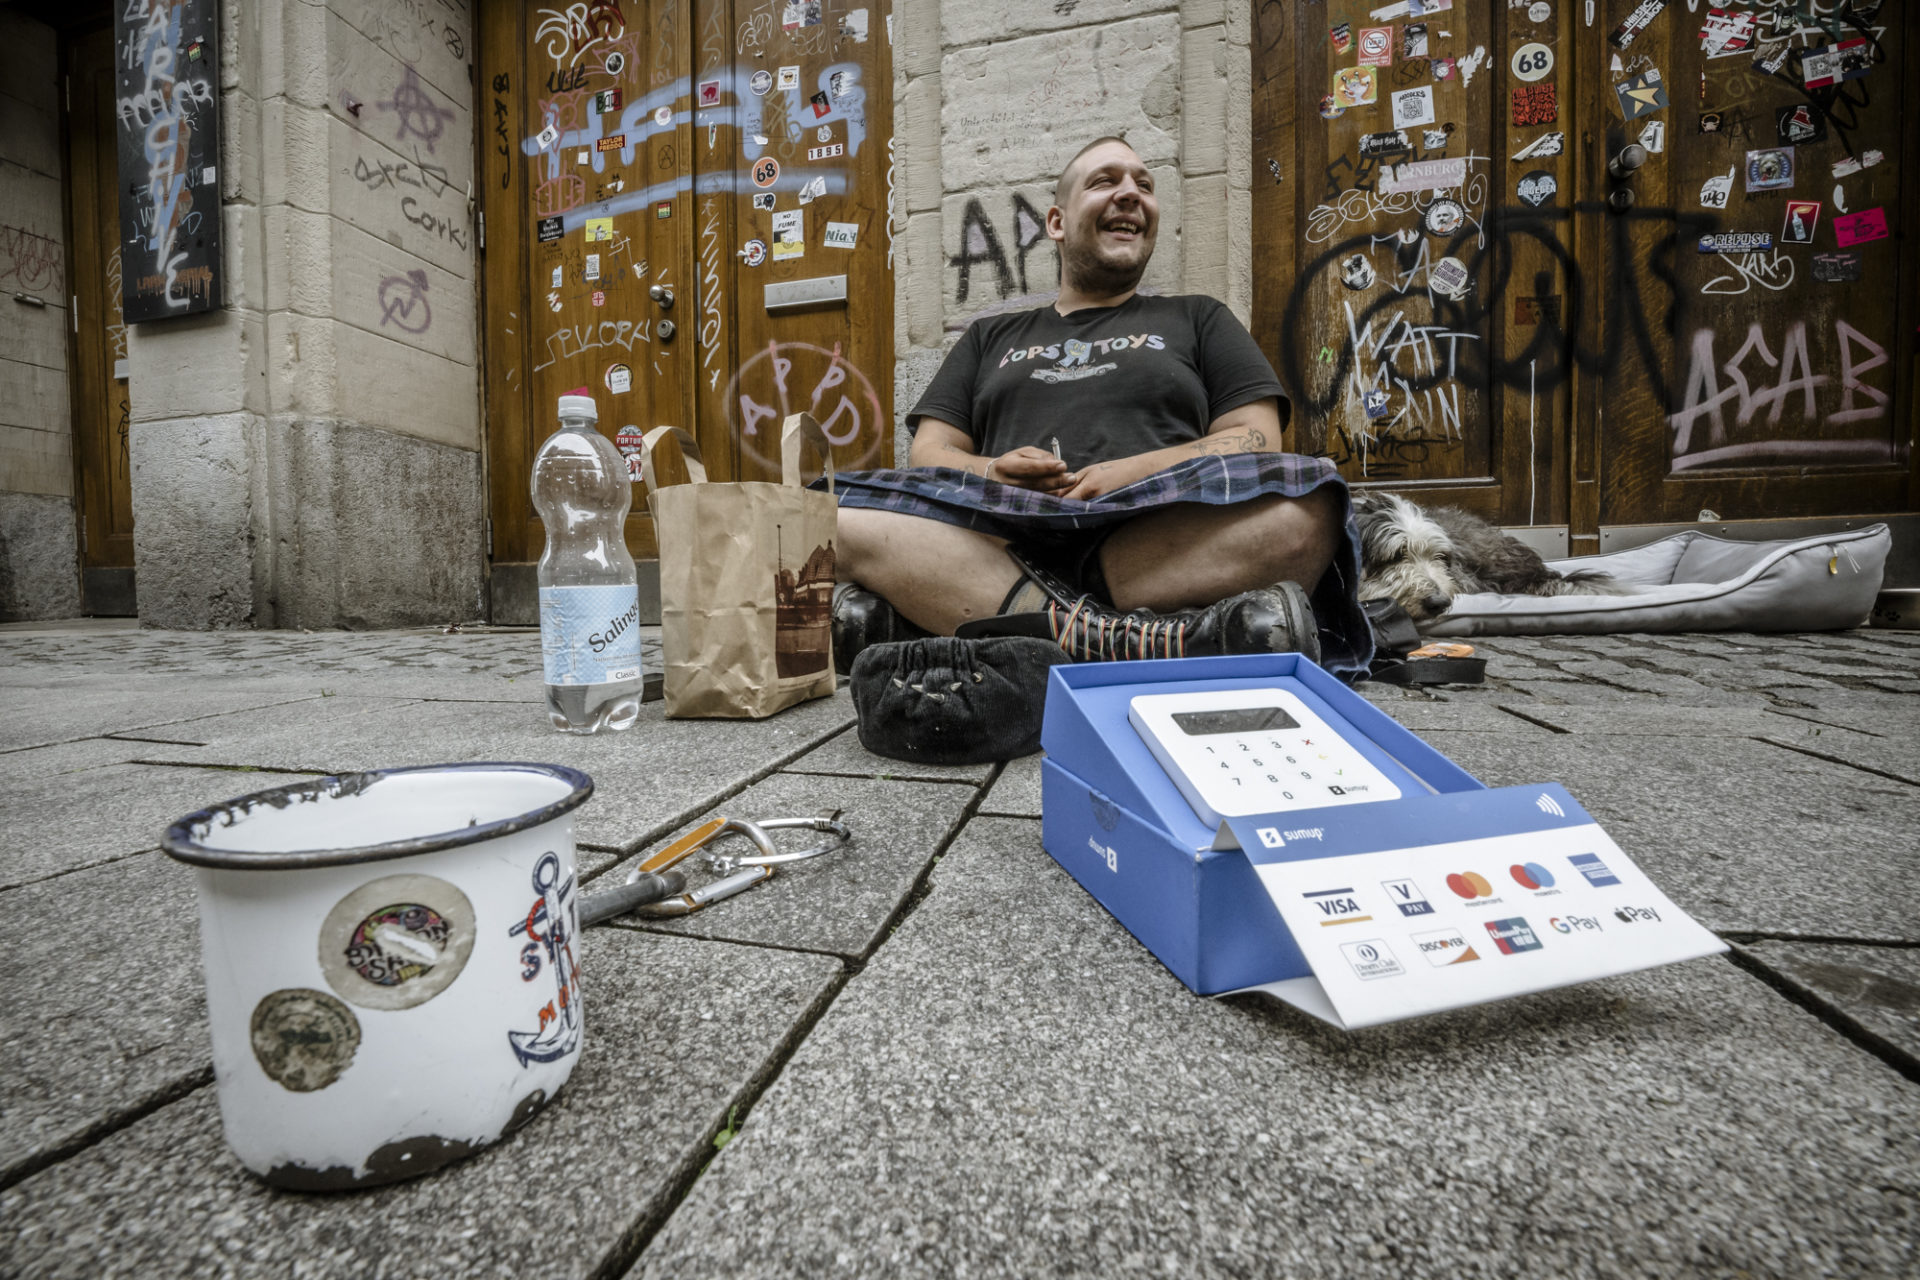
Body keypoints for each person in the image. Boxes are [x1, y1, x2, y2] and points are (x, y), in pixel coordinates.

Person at [829, 136, 1372, 678]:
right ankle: (1144, 642)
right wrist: (994, 471)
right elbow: (930, 453)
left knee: (1309, 507)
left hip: (1153, 541)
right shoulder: (989, 336)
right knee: (831, 519)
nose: (1131, 194)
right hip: (1003, 540)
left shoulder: (1198, 317)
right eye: (1105, 181)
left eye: (1144, 185)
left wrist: (1129, 473)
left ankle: (1007, 626)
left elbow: (1256, 438)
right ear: (1058, 223)